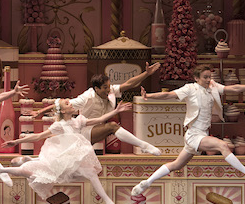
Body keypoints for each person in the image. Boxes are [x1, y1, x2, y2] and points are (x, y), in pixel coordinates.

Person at [0, 98, 131, 204]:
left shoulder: (78, 120)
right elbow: (38, 136)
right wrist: (16, 141)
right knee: (31, 172)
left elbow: (99, 119)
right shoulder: (58, 125)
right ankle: (0, 169)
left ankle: (109, 203)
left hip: (74, 157)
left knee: (92, 173)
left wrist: (116, 111)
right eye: (67, 104)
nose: (71, 104)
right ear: (63, 111)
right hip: (60, 159)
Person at [132, 65, 245, 196]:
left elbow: (233, 88)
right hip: (194, 134)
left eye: (209, 77)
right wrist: (149, 95)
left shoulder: (213, 86)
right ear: (196, 78)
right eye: (205, 77)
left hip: (201, 134)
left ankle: (147, 182)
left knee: (176, 165)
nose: (208, 80)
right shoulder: (190, 89)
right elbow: (168, 95)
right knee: (223, 145)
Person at [33, 62, 162, 155]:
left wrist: (147, 73)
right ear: (97, 89)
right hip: (84, 132)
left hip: (95, 130)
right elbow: (58, 104)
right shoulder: (86, 97)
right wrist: (39, 111)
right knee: (112, 126)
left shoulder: (111, 91)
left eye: (109, 86)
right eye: (105, 87)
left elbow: (129, 83)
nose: (108, 89)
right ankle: (144, 146)